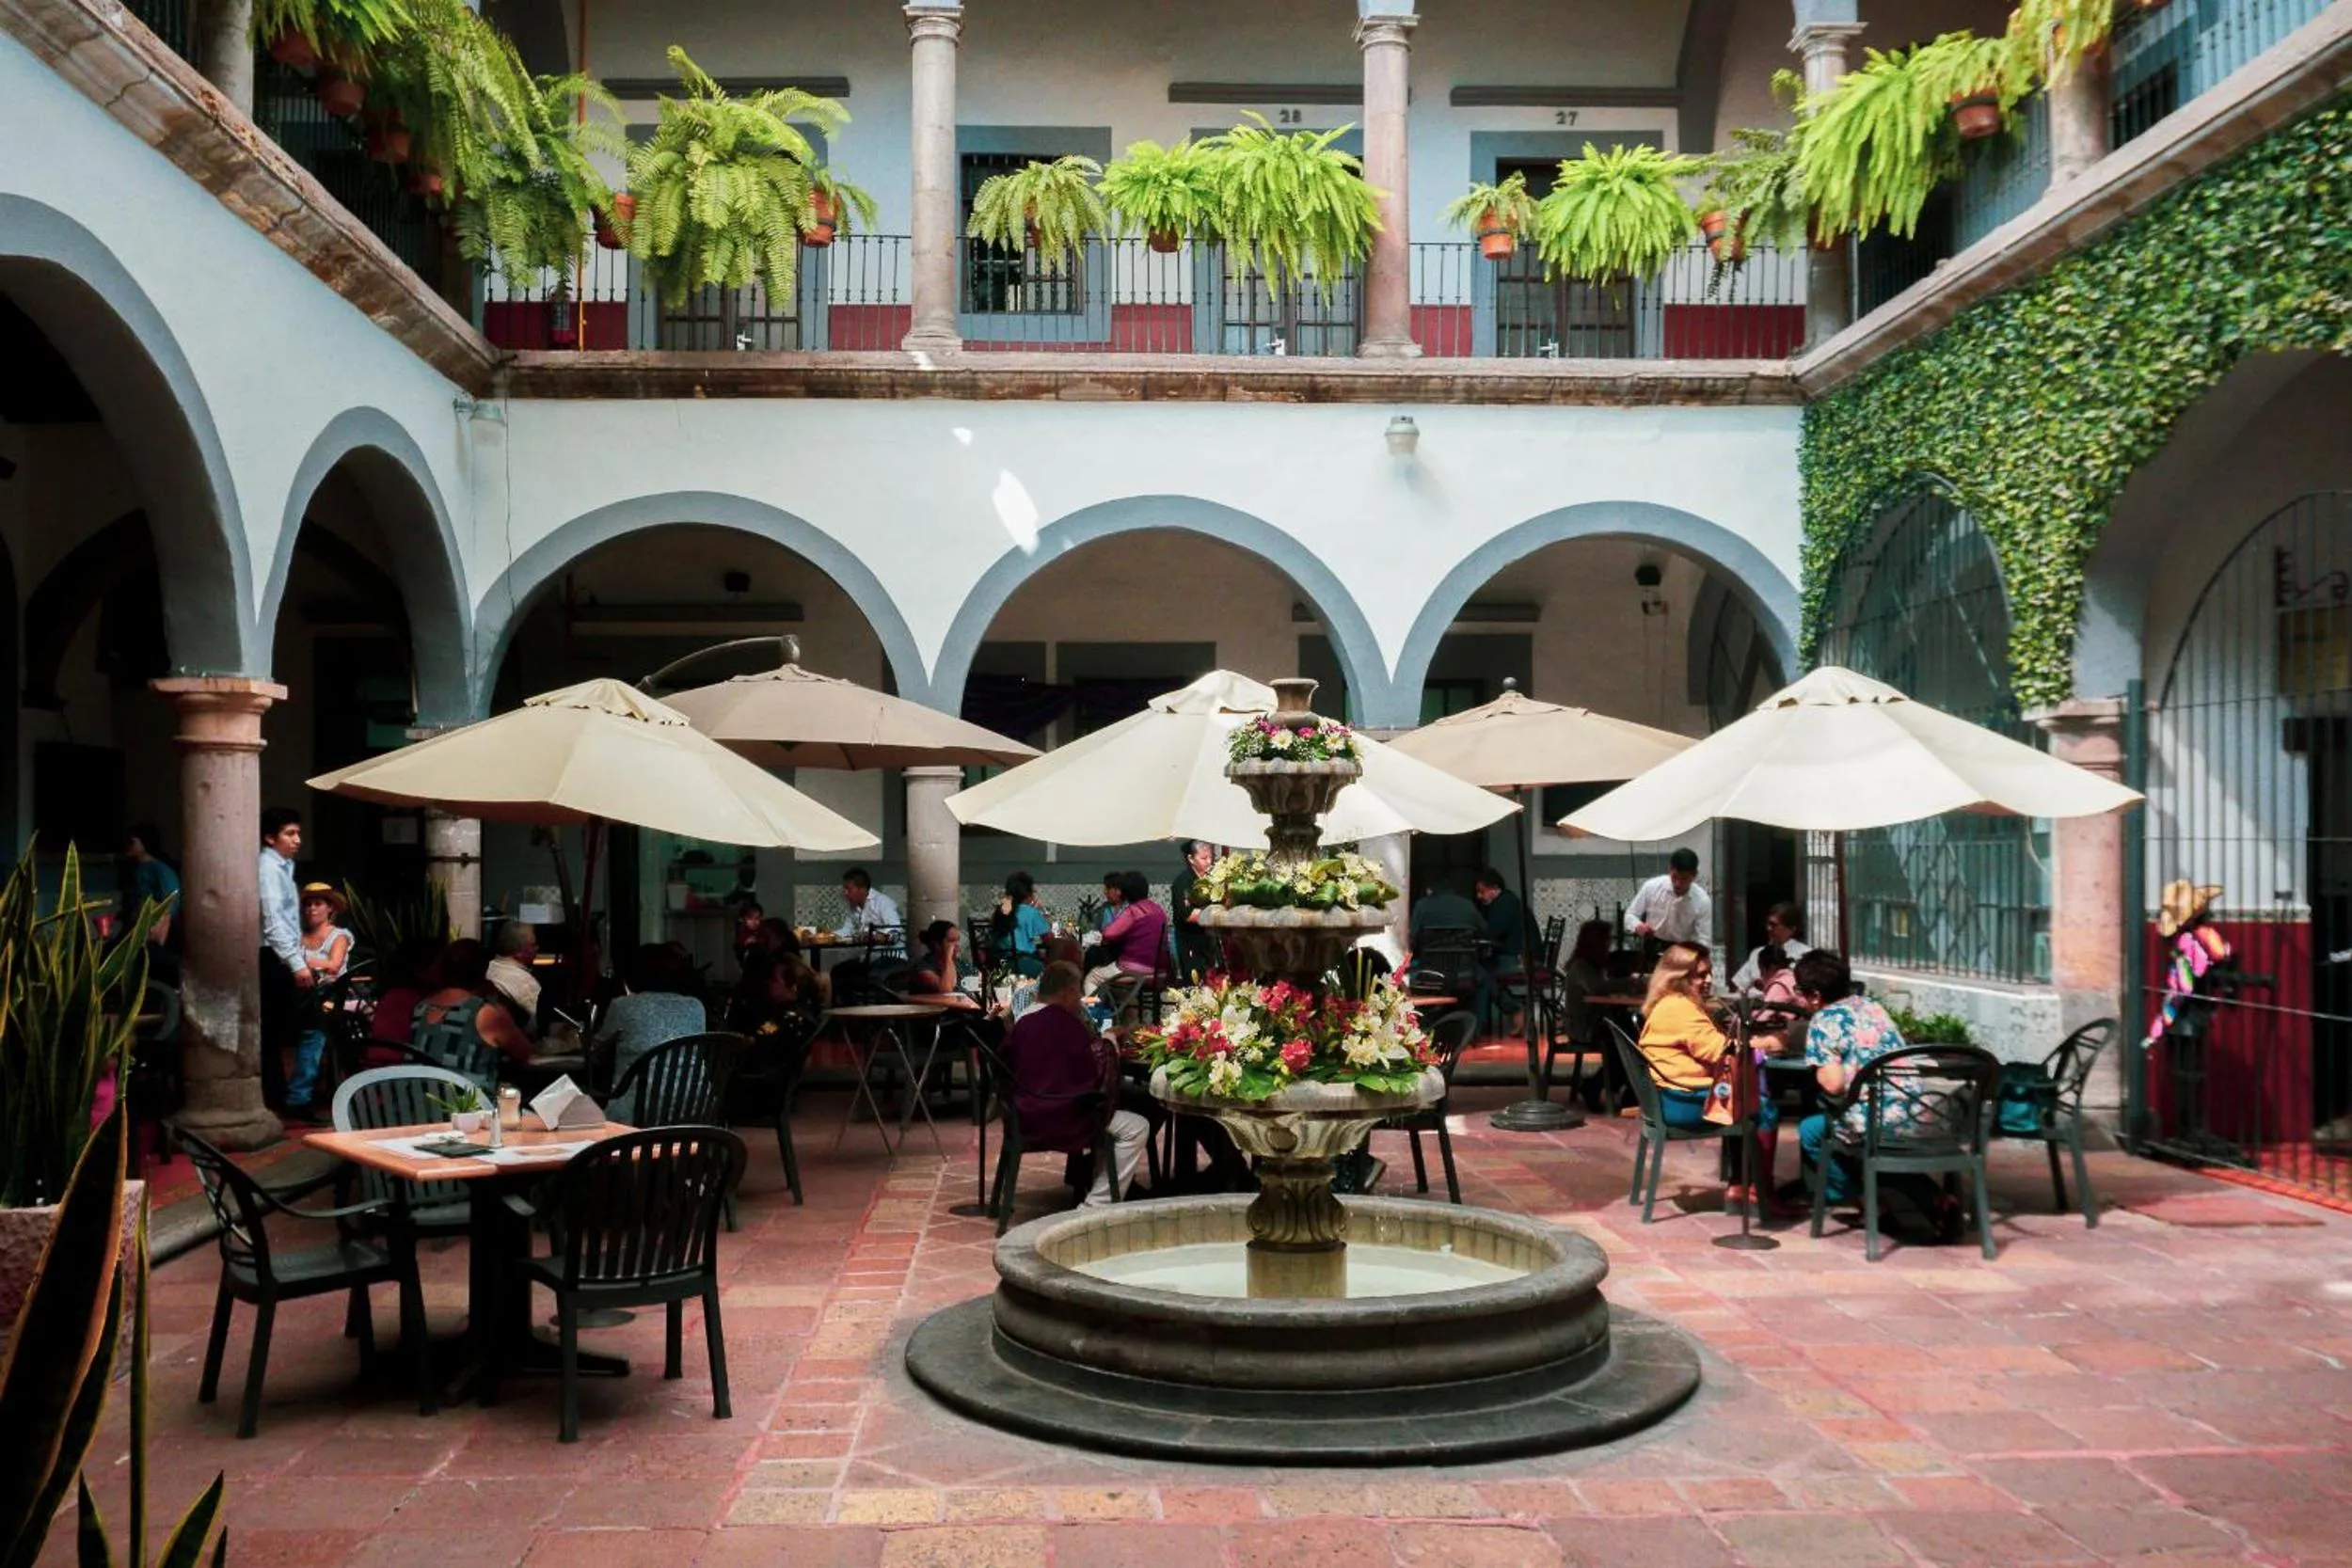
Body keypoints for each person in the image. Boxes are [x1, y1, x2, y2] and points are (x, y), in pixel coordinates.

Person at [1791, 948, 1948, 1226]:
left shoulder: (1824, 1020)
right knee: (1868, 1136)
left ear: (1815, 995)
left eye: (1799, 991)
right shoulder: (1872, 1007)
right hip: (1919, 1111)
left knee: (1812, 1131)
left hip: (1874, 1122)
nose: (1797, 997)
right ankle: (1933, 1199)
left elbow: (1834, 1086)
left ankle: (1867, 1203)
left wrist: (1817, 1070)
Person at [1634, 942, 1781, 1212]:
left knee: (1741, 1094)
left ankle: (1740, 1183)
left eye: (1709, 972)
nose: (1709, 980)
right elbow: (1722, 1053)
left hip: (1667, 1098)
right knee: (1762, 1106)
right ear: (1677, 977)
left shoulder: (1669, 1003)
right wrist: (1767, 1044)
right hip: (1682, 1103)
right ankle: (1757, 1191)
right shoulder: (1681, 1009)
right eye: (1700, 975)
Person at [1003, 961, 1149, 1207]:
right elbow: (1092, 1073)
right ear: (1067, 992)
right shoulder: (1063, 1022)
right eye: (1078, 993)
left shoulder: (1024, 1021)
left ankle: (1092, 1177)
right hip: (1062, 1114)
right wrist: (1111, 1039)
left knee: (1121, 1110)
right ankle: (1096, 1205)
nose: (1080, 999)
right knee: (1137, 1125)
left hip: (1025, 1110)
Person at [596, 942, 709, 1119]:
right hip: (692, 1108)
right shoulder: (696, 1007)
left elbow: (600, 1047)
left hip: (638, 1112)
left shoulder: (623, 1006)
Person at [412, 937, 533, 1085]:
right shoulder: (485, 1013)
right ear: (483, 971)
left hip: (420, 1102)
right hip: (468, 1104)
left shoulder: (421, 1008)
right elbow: (523, 1053)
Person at [283, 883, 354, 1118]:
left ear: (330, 908)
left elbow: (334, 966)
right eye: (307, 904)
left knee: (313, 1029)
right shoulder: (298, 937)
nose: (311, 908)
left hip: (327, 998)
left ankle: (298, 1098)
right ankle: (289, 1094)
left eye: (318, 903)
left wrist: (301, 962)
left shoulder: (339, 936)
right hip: (296, 996)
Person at [257, 807, 309, 1114]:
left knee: (279, 1032)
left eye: (298, 833)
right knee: (274, 1032)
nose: (297, 839)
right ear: (270, 837)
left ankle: (284, 1097)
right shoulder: (267, 869)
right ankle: (283, 1099)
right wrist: (296, 962)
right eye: (290, 833)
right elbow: (273, 921)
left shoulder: (283, 867)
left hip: (284, 957)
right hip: (272, 958)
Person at [2145, 879, 2233, 1051]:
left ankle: (2154, 1036)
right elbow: (2220, 954)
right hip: (2193, 1007)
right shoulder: (2202, 936)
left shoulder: (2185, 940)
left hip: (2184, 1005)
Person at [1084, 871, 1167, 996]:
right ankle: (1122, 1009)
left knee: (1092, 977)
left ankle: (1095, 1014)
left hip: (1133, 969)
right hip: (1158, 970)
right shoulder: (1157, 909)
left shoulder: (1133, 911)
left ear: (1125, 892)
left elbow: (1108, 934)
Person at [1473, 866, 1533, 1033]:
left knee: (1483, 977)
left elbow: (1492, 932)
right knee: (1482, 974)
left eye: (1482, 891)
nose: (1479, 896)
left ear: (1494, 888)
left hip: (1515, 958)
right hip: (1513, 955)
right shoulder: (1507, 901)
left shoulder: (1504, 904)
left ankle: (1513, 1009)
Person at [1626, 847, 1711, 948]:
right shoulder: (1652, 887)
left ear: (1694, 875)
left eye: (1684, 879)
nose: (1678, 884)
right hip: (1653, 945)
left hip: (1684, 950)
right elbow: (1631, 914)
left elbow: (1704, 938)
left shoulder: (1702, 901)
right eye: (1674, 877)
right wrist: (1638, 926)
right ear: (1670, 869)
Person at [119, 821, 180, 954]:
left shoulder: (159, 869)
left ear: (144, 843)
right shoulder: (136, 870)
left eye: (132, 841)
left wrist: (156, 929)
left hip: (152, 932)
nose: (128, 846)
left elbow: (171, 901)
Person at [1731, 902, 1812, 993]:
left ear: (1792, 929)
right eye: (1768, 924)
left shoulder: (1806, 955)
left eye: (1774, 925)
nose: (1769, 928)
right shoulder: (1758, 953)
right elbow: (1740, 986)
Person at [1170, 840, 1218, 981]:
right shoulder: (1183, 881)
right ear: (1191, 858)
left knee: (1213, 979)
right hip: (1190, 939)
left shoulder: (1213, 879)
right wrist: (1218, 914)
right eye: (1204, 858)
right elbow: (1187, 914)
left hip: (1210, 939)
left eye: (1211, 857)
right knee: (1194, 979)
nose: (1209, 862)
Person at [993, 871, 1052, 978]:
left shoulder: (1000, 911)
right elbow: (1049, 940)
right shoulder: (1030, 912)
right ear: (1028, 893)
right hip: (1023, 965)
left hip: (999, 964)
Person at [486, 920, 542, 1034]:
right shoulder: (526, 983)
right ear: (518, 952)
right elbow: (535, 1027)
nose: (537, 948)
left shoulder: (488, 969)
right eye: (533, 945)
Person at [834, 868, 903, 949]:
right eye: (844, 889)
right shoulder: (854, 906)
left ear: (862, 889)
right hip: (865, 955)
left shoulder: (882, 902)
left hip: (887, 955)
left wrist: (877, 936)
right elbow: (847, 929)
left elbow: (895, 929)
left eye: (849, 889)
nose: (845, 893)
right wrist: (830, 936)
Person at [910, 918, 965, 995]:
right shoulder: (922, 967)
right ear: (937, 945)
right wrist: (948, 959)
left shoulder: (959, 963)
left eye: (958, 940)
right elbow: (946, 990)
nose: (957, 945)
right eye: (951, 941)